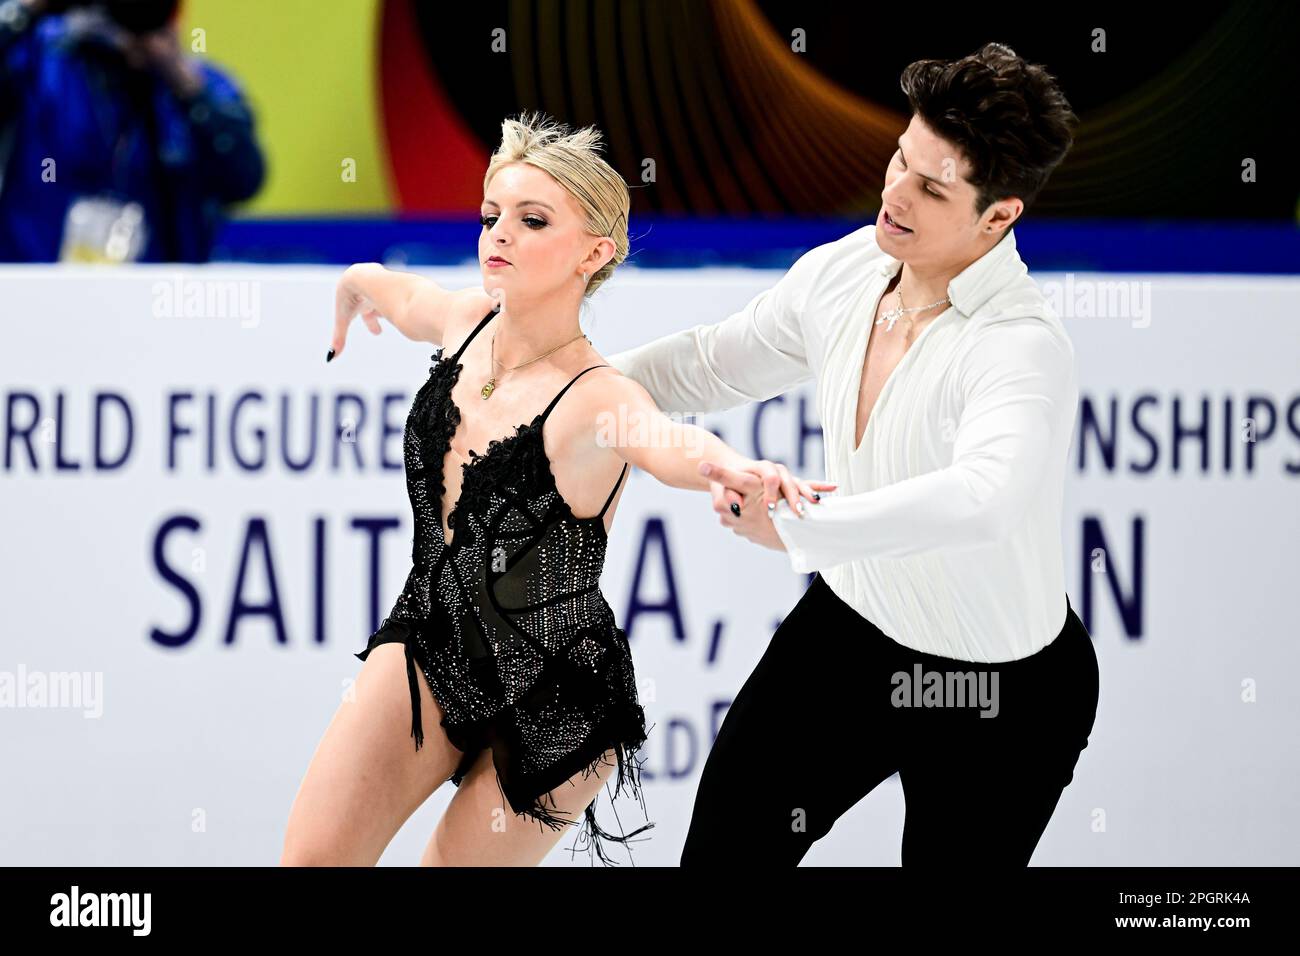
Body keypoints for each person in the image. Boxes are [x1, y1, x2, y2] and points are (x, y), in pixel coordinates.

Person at [281, 112, 827, 867]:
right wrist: (354, 285)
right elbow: (398, 293)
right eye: (491, 216)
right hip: (430, 642)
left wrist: (733, 466)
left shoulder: (600, 396)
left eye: (532, 220)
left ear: (593, 252)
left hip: (557, 692)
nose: (499, 234)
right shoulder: (464, 323)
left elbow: (668, 443)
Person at [609, 43, 1101, 866]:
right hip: (852, 637)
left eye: (932, 189)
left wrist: (804, 528)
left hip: (998, 691)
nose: (894, 194)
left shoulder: (1019, 344)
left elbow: (984, 499)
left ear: (998, 217)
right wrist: (565, 387)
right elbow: (713, 363)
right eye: (900, 160)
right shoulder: (849, 270)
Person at [0, 0, 264, 261]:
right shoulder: (39, 67)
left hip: (156, 284)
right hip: (35, 280)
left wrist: (184, 83)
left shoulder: (202, 86)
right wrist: (28, 9)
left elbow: (244, 183)